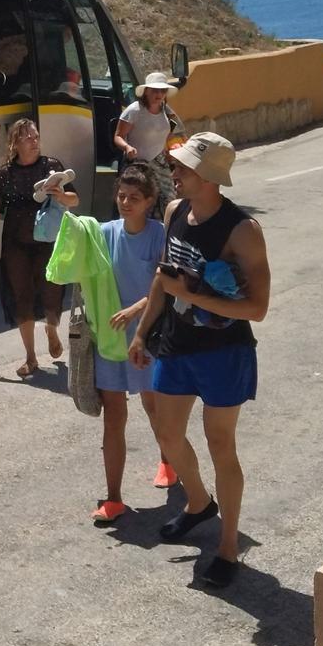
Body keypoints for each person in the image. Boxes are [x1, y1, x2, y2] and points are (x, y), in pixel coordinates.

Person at [128, 133, 271, 590]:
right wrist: (144, 330)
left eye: (183, 168)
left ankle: (228, 546)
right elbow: (162, 278)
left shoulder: (243, 231)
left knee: (220, 445)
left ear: (209, 176)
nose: (174, 174)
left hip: (224, 352)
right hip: (176, 343)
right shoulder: (173, 213)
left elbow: (257, 308)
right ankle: (197, 503)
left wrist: (187, 294)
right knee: (167, 433)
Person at [81, 164, 173, 521]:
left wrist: (135, 310)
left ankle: (169, 461)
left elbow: (165, 285)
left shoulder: (159, 235)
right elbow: (70, 235)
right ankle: (114, 498)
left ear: (149, 201)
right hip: (109, 340)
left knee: (155, 409)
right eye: (121, 195)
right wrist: (62, 201)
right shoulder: (104, 233)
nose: (125, 202)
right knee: (113, 417)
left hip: (147, 336)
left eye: (134, 198)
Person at [0, 119, 66, 380]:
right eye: (28, 138)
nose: (34, 142)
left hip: (46, 240)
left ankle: (52, 329)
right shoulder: (5, 174)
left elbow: (73, 199)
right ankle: (31, 358)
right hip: (15, 242)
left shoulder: (52, 167)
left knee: (51, 290)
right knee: (21, 296)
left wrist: (61, 195)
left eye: (36, 137)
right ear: (15, 144)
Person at [114, 74, 181, 207]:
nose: (159, 94)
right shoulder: (134, 111)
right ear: (146, 91)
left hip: (161, 164)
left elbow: (167, 135)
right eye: (155, 90)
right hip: (138, 165)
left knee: (169, 200)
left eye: (163, 91)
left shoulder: (166, 111)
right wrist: (127, 148)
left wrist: (170, 154)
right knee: (138, 202)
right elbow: (118, 136)